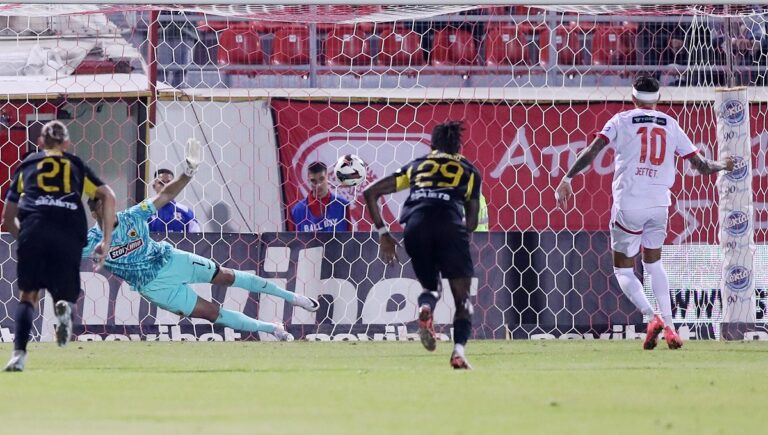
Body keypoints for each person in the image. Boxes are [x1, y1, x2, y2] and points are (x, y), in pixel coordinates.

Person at [555, 75, 734, 350]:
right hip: (660, 205)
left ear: (632, 98)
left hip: (629, 204)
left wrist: (568, 177)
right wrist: (723, 165)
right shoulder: (671, 124)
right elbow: (701, 166)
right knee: (653, 264)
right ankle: (671, 328)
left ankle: (653, 317)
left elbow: (593, 150)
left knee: (623, 270)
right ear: (658, 99)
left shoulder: (621, 120)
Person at [83, 138, 319, 342]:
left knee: (226, 276)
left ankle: (293, 298)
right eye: (103, 208)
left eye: (110, 204)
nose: (110, 210)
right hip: (155, 288)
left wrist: (188, 172)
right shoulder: (91, 241)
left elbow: (166, 194)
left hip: (170, 260)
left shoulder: (134, 215)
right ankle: (272, 329)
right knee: (211, 313)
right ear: (94, 213)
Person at [363, 121, 482, 369]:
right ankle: (458, 353)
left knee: (431, 287)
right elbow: (471, 223)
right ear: (458, 147)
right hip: (449, 226)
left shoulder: (417, 166)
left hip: (415, 227)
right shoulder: (469, 172)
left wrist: (384, 234)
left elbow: (371, 192)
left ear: (432, 145)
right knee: (462, 300)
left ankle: (426, 306)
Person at [3, 120, 117, 372]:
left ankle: (18, 356)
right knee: (66, 295)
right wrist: (106, 240)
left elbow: (8, 216)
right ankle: (64, 308)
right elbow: (108, 195)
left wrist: (24, 238)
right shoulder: (75, 165)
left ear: (40, 142)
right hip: (69, 230)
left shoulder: (28, 164)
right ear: (66, 143)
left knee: (28, 295)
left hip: (34, 228)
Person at [290, 161, 351, 232]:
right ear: (308, 180)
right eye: (313, 181)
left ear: (327, 177)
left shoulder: (342, 205)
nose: (318, 185)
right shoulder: (298, 211)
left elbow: (350, 236)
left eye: (321, 179)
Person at [148, 168, 202, 233]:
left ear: (174, 186)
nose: (166, 186)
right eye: (161, 183)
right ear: (154, 187)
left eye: (169, 183)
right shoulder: (145, 210)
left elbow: (196, 237)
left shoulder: (186, 212)